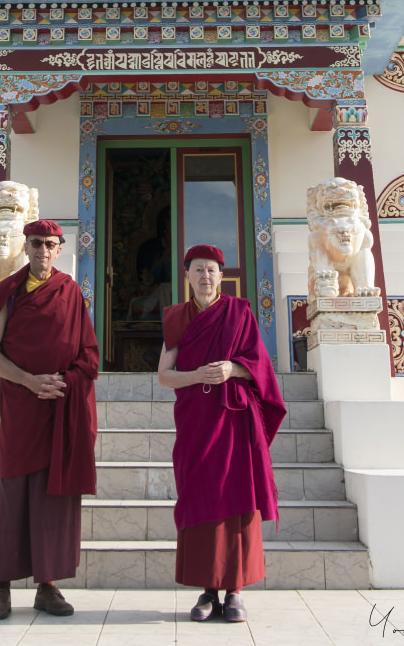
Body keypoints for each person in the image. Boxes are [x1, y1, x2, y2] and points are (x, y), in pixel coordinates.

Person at [158, 245, 286, 623]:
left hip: (234, 419)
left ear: (221, 275)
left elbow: (259, 366)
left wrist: (233, 368)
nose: (205, 277)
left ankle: (235, 592)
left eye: (212, 270)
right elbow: (165, 375)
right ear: (187, 276)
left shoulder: (240, 312)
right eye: (198, 270)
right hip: (197, 420)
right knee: (200, 496)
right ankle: (206, 590)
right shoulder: (177, 317)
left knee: (237, 498)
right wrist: (197, 375)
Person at [0, 218, 99, 621]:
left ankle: (47, 586)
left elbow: (89, 354)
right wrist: (31, 382)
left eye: (50, 244)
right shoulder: (8, 292)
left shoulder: (71, 293)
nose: (42, 250)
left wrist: (63, 383)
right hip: (21, 404)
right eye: (35, 243)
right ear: (26, 247)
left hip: (60, 405)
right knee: (13, 493)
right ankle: (1, 588)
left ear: (59, 248)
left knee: (53, 495)